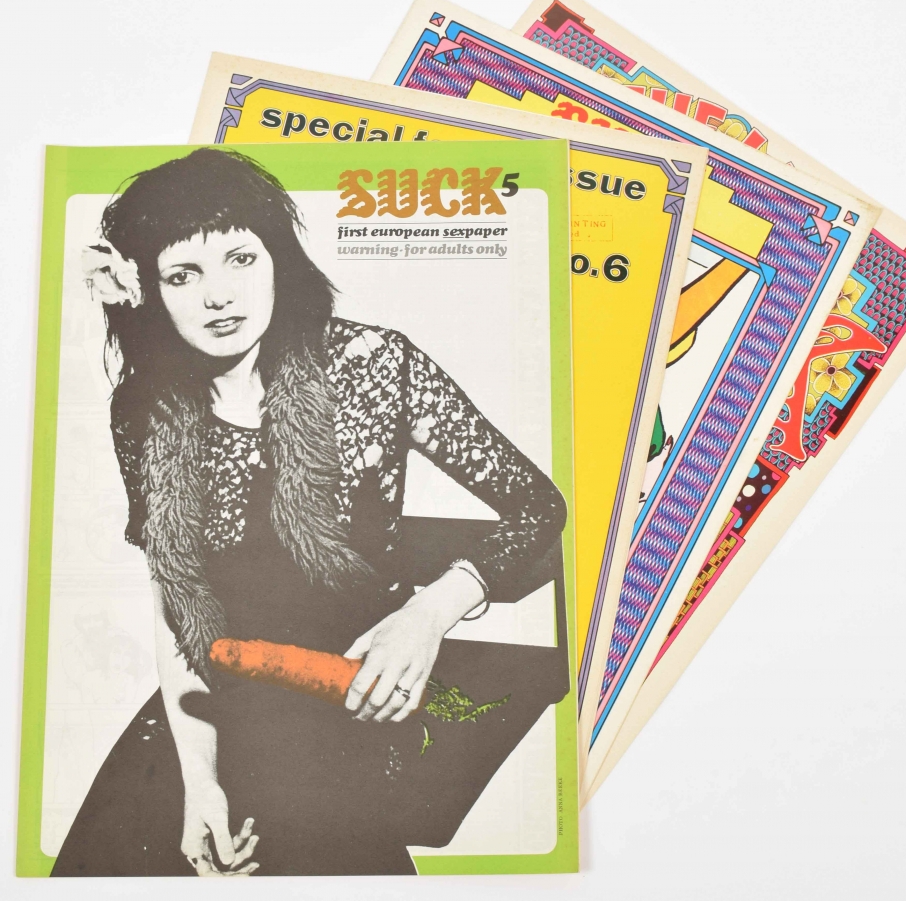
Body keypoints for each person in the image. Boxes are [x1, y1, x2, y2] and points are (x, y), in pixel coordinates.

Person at [52, 148, 569, 877]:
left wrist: (429, 613)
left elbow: (539, 507)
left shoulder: (372, 364)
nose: (219, 297)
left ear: (277, 259)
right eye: (182, 275)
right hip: (210, 718)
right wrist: (200, 783)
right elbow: (178, 602)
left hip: (347, 706)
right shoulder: (140, 408)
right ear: (149, 291)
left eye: (240, 259)